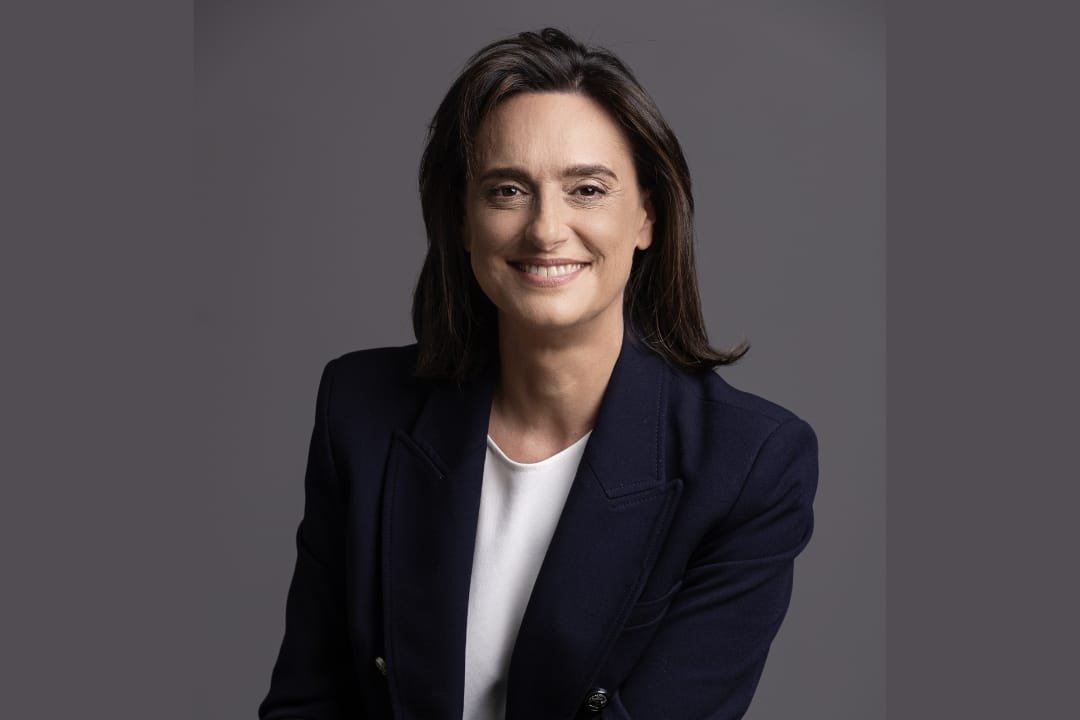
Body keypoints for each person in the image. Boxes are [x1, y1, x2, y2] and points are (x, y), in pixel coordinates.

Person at [259, 27, 818, 720]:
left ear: (647, 216)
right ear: (462, 220)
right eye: (506, 190)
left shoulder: (747, 466)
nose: (546, 230)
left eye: (587, 189)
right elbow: (308, 702)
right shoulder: (360, 411)